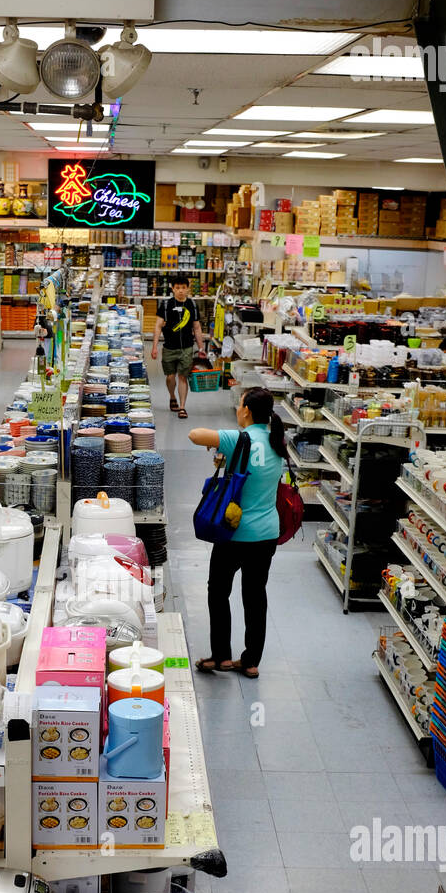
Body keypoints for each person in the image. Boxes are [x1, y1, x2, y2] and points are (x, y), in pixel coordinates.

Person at [188, 387, 287, 678]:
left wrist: (223, 443)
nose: (237, 409)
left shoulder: (239, 439)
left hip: (233, 532)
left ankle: (221, 657)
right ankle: (251, 660)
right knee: (255, 596)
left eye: (240, 404)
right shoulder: (276, 440)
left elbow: (194, 434)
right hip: (267, 533)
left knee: (218, 592)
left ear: (245, 411)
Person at [151, 274, 205, 420]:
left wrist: (201, 348)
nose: (180, 291)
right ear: (172, 289)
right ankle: (172, 395)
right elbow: (157, 327)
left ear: (188, 289)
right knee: (170, 377)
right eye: (177, 288)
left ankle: (182, 407)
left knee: (182, 377)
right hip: (169, 347)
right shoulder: (166, 305)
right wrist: (154, 346)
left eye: (183, 288)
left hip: (187, 348)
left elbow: (197, 328)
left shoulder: (192, 305)